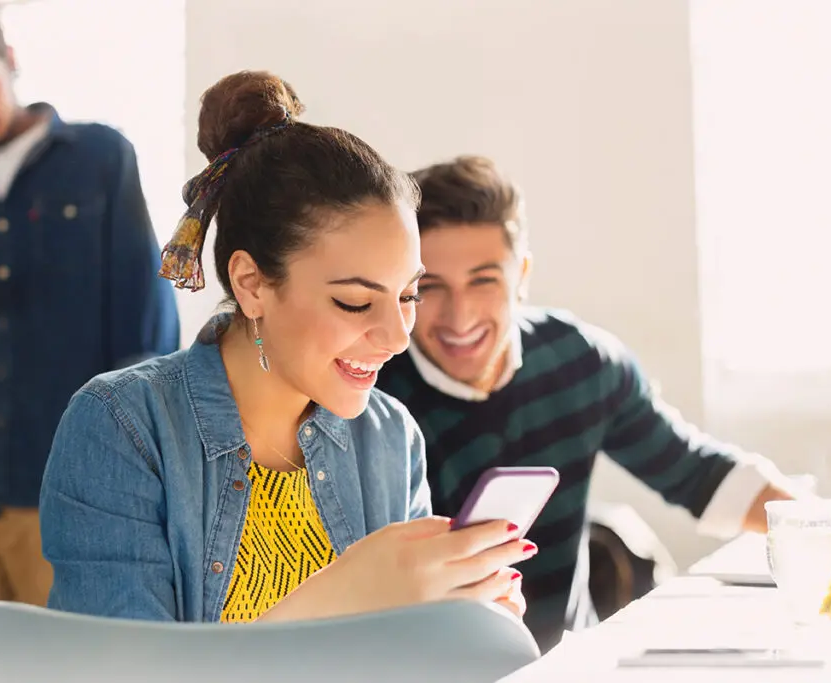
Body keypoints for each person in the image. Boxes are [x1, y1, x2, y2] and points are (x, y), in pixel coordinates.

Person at [40, 71, 533, 628]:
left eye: (409, 294)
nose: (398, 338)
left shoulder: (390, 435)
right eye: (353, 302)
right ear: (251, 284)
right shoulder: (124, 427)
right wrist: (345, 594)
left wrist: (463, 626)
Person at [376, 155, 831, 652]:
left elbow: (694, 471)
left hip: (569, 659)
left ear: (521, 276)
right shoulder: (373, 395)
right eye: (432, 288)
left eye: (484, 280)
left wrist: (825, 520)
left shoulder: (581, 361)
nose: (460, 316)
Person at [0, 1, 179, 680]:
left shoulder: (103, 159)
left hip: (69, 500)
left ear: (10, 59)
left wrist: (132, 498)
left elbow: (146, 335)